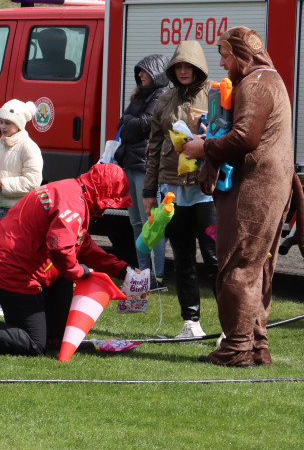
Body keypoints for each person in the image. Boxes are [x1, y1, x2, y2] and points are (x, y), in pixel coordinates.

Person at [183, 27, 304, 367]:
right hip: (272, 185)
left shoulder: (255, 83)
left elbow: (245, 138)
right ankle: (256, 346)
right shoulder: (271, 80)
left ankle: (236, 347)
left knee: (237, 265)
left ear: (242, 56)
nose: (222, 63)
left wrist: (202, 146)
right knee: (258, 267)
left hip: (256, 187)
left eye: (225, 56)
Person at [0, 164, 135, 357]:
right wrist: (79, 272)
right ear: (104, 192)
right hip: (9, 268)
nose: (110, 206)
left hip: (5, 259)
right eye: (112, 201)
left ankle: (56, 338)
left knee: (62, 277)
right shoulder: (73, 203)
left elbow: (81, 245)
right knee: (33, 342)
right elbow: (60, 250)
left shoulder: (71, 191)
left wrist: (122, 269)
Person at [143, 41, 217, 339]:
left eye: (189, 66)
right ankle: (191, 323)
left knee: (214, 258)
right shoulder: (165, 99)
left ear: (200, 67)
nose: (184, 72)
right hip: (171, 190)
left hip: (207, 191)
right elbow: (153, 149)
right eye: (179, 67)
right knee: (183, 257)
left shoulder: (216, 96)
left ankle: (231, 325)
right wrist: (149, 191)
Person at [0, 99, 44, 317]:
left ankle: (9, 304)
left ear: (20, 124)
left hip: (16, 211)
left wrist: (2, 184)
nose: (3, 127)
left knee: (10, 259)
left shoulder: (29, 147)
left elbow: (33, 181)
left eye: (8, 123)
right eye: (1, 122)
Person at [114, 54, 169, 286]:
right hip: (130, 164)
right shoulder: (139, 95)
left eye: (144, 71)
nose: (140, 75)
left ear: (156, 73)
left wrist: (129, 121)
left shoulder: (161, 96)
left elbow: (147, 125)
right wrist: (129, 122)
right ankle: (143, 273)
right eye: (139, 71)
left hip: (146, 168)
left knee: (151, 223)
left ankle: (157, 275)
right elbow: (123, 124)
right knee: (136, 222)